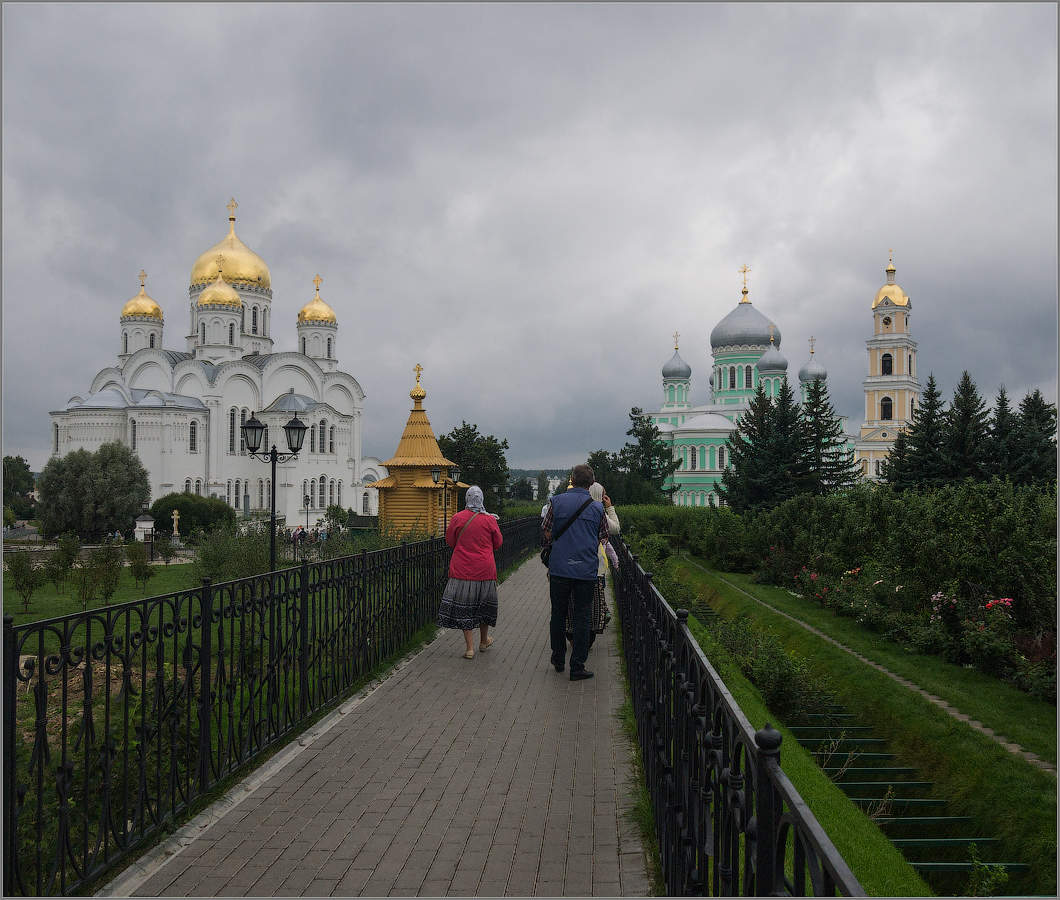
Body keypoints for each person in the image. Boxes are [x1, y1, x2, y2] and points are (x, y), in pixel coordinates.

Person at [542, 463, 608, 680]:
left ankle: (558, 659)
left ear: (572, 479)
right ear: (591, 483)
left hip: (559, 569)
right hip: (585, 571)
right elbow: (602, 536)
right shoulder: (597, 508)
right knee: (582, 617)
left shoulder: (557, 501)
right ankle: (577, 666)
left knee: (558, 615)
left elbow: (547, 531)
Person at [437, 485, 504, 659]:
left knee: (465, 609)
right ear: (481, 499)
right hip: (485, 571)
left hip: (462, 571)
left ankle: (469, 648)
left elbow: (450, 541)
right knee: (483, 607)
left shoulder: (458, 518)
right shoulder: (489, 520)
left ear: (467, 498)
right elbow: (498, 543)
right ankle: (483, 641)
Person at [565, 481, 619, 645]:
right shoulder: (598, 512)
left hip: (571, 564)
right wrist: (609, 508)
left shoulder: (573, 508)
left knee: (573, 601)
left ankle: (573, 634)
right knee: (591, 603)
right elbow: (615, 529)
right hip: (593, 567)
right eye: (602, 495)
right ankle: (586, 636)